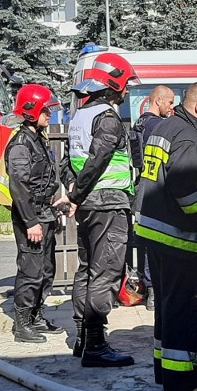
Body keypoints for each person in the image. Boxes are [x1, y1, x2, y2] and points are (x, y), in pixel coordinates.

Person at [134, 82, 197, 391]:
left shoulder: (165, 126)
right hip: (178, 239)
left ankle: (164, 371)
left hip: (153, 232)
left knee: (167, 309)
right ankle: (182, 381)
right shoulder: (188, 135)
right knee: (186, 311)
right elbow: (185, 191)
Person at [55, 53, 139, 367]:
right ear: (112, 82)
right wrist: (78, 192)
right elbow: (98, 160)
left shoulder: (79, 117)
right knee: (106, 273)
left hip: (90, 206)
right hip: (109, 204)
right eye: (126, 83)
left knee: (87, 270)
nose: (128, 90)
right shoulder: (107, 117)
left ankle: (82, 338)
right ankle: (95, 346)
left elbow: (66, 163)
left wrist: (76, 192)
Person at [6, 84, 64, 343]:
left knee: (47, 268)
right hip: (31, 215)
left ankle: (37, 315)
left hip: (45, 212)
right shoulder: (21, 144)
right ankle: (22, 324)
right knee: (31, 270)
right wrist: (31, 221)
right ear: (31, 111)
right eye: (45, 111)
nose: (49, 115)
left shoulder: (38, 138)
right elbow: (19, 186)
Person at [130, 85, 175, 311]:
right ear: (157, 101)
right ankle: (155, 292)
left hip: (142, 186)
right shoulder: (157, 125)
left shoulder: (138, 124)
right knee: (158, 241)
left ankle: (151, 290)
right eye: (169, 102)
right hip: (156, 189)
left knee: (148, 240)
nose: (172, 107)